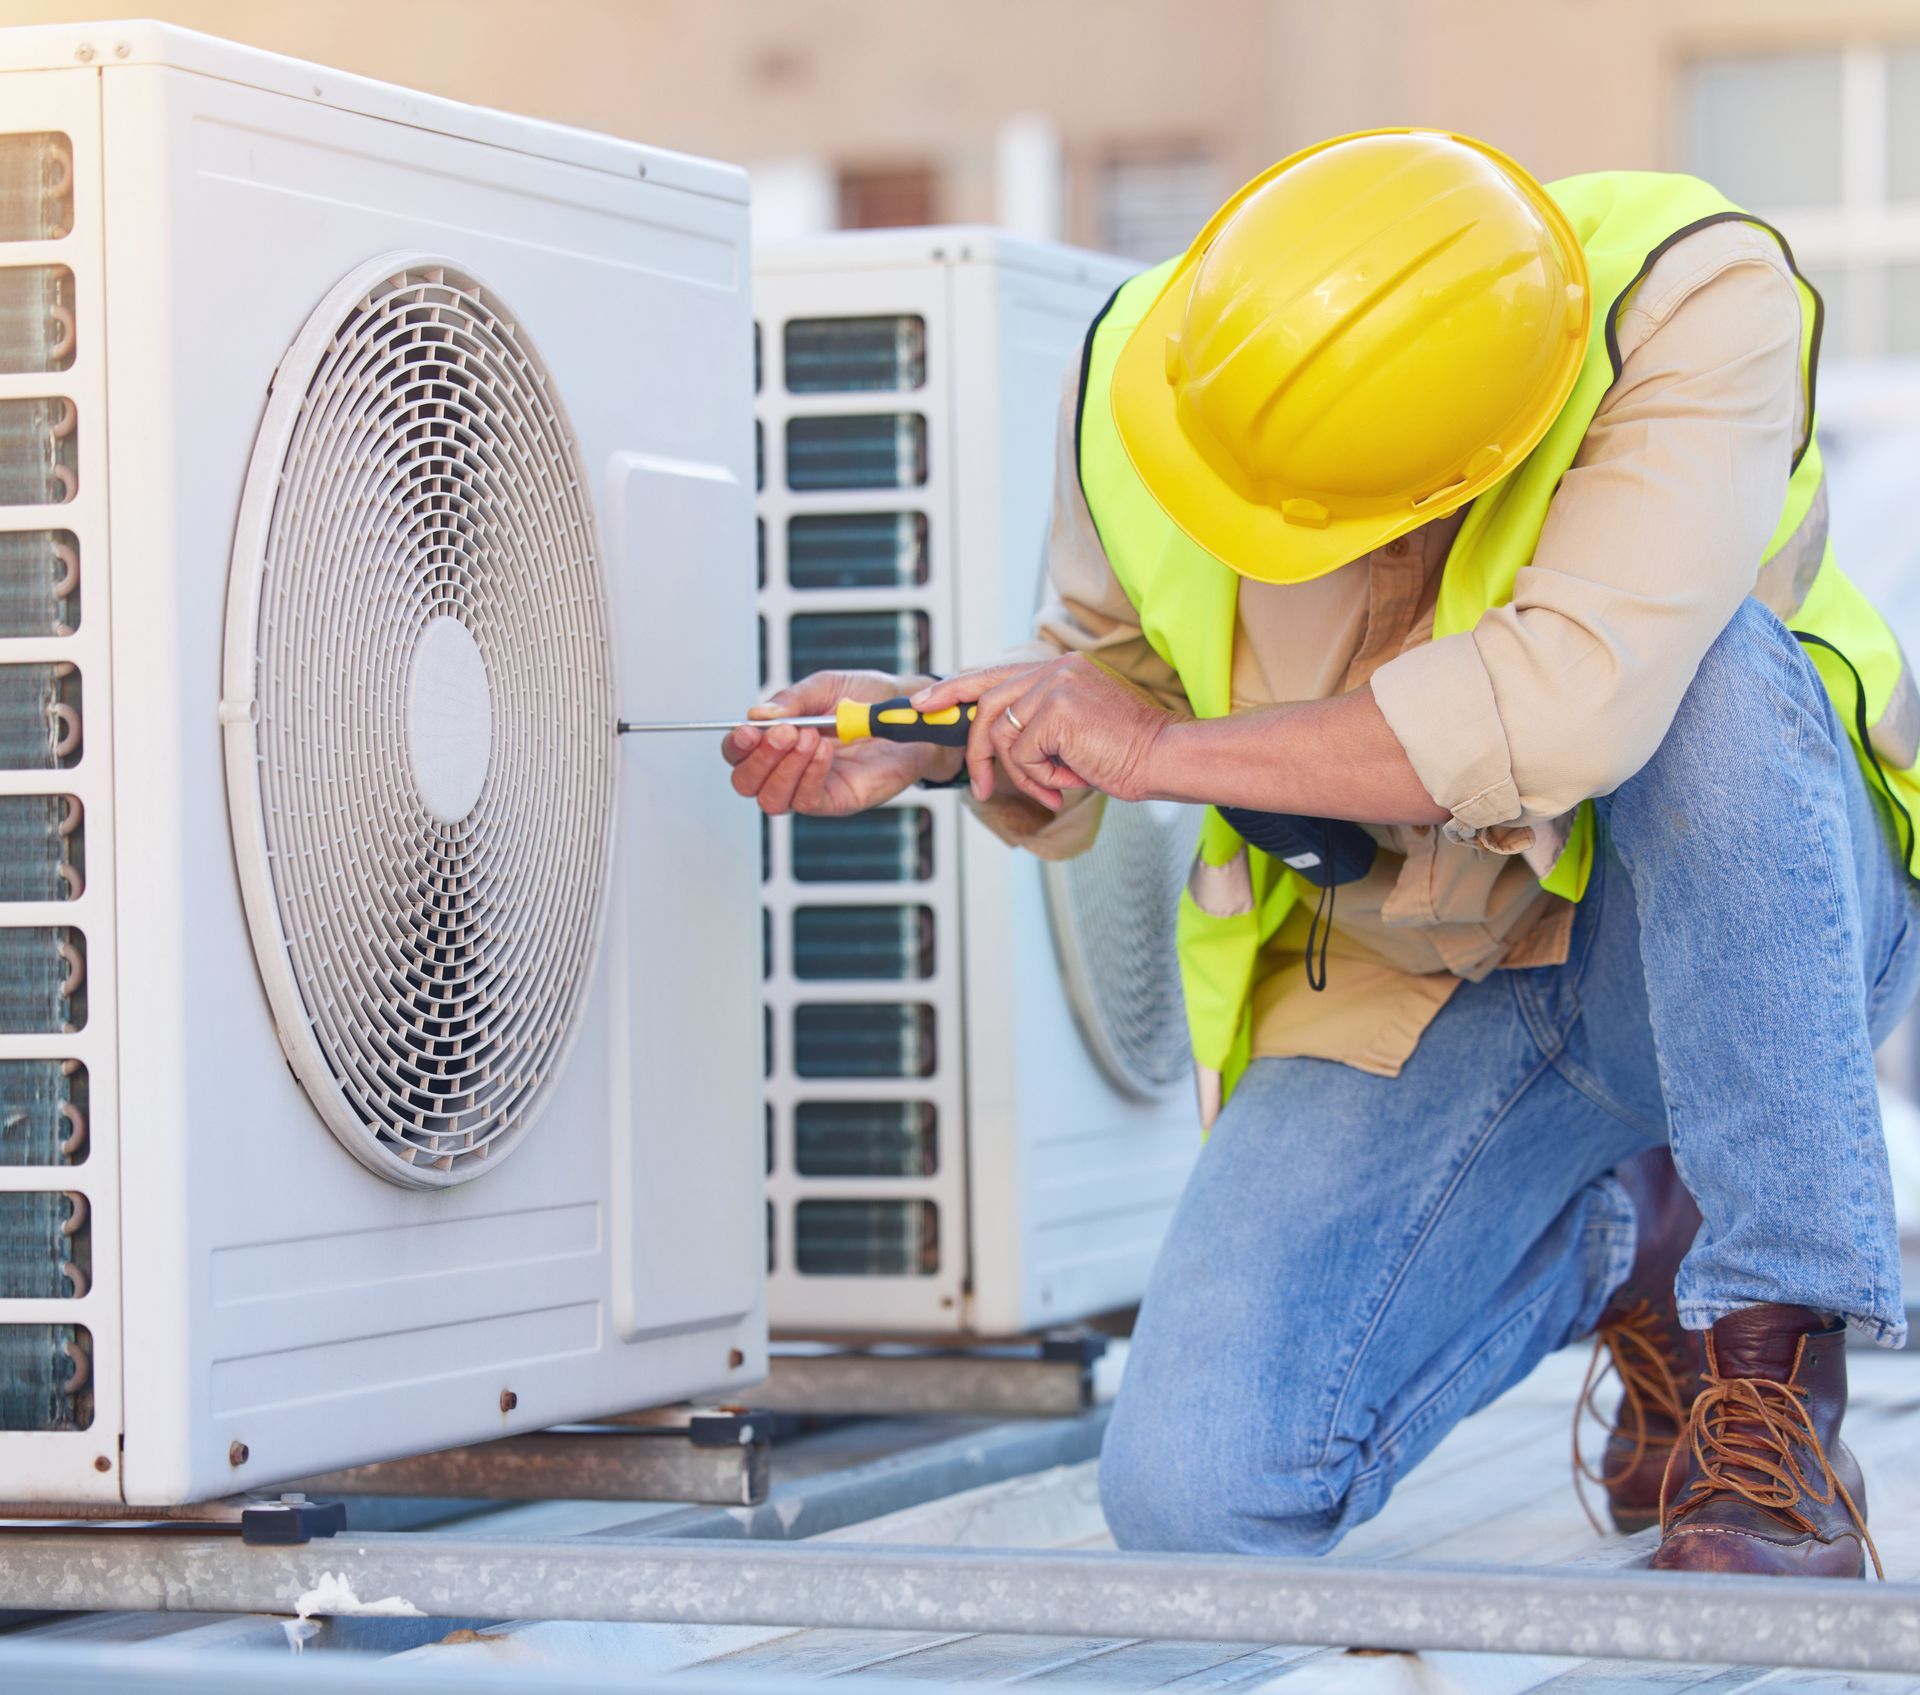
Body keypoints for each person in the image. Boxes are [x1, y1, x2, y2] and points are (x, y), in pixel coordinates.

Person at [724, 129, 1920, 1580]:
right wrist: (930, 730)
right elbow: (1118, 668)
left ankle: (1775, 1404)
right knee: (1197, 1506)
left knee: (1715, 677)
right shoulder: (1151, 371)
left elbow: (1570, 704)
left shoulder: (1686, 300)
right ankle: (1629, 1230)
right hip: (1421, 975)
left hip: (1725, 949)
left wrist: (1153, 756)